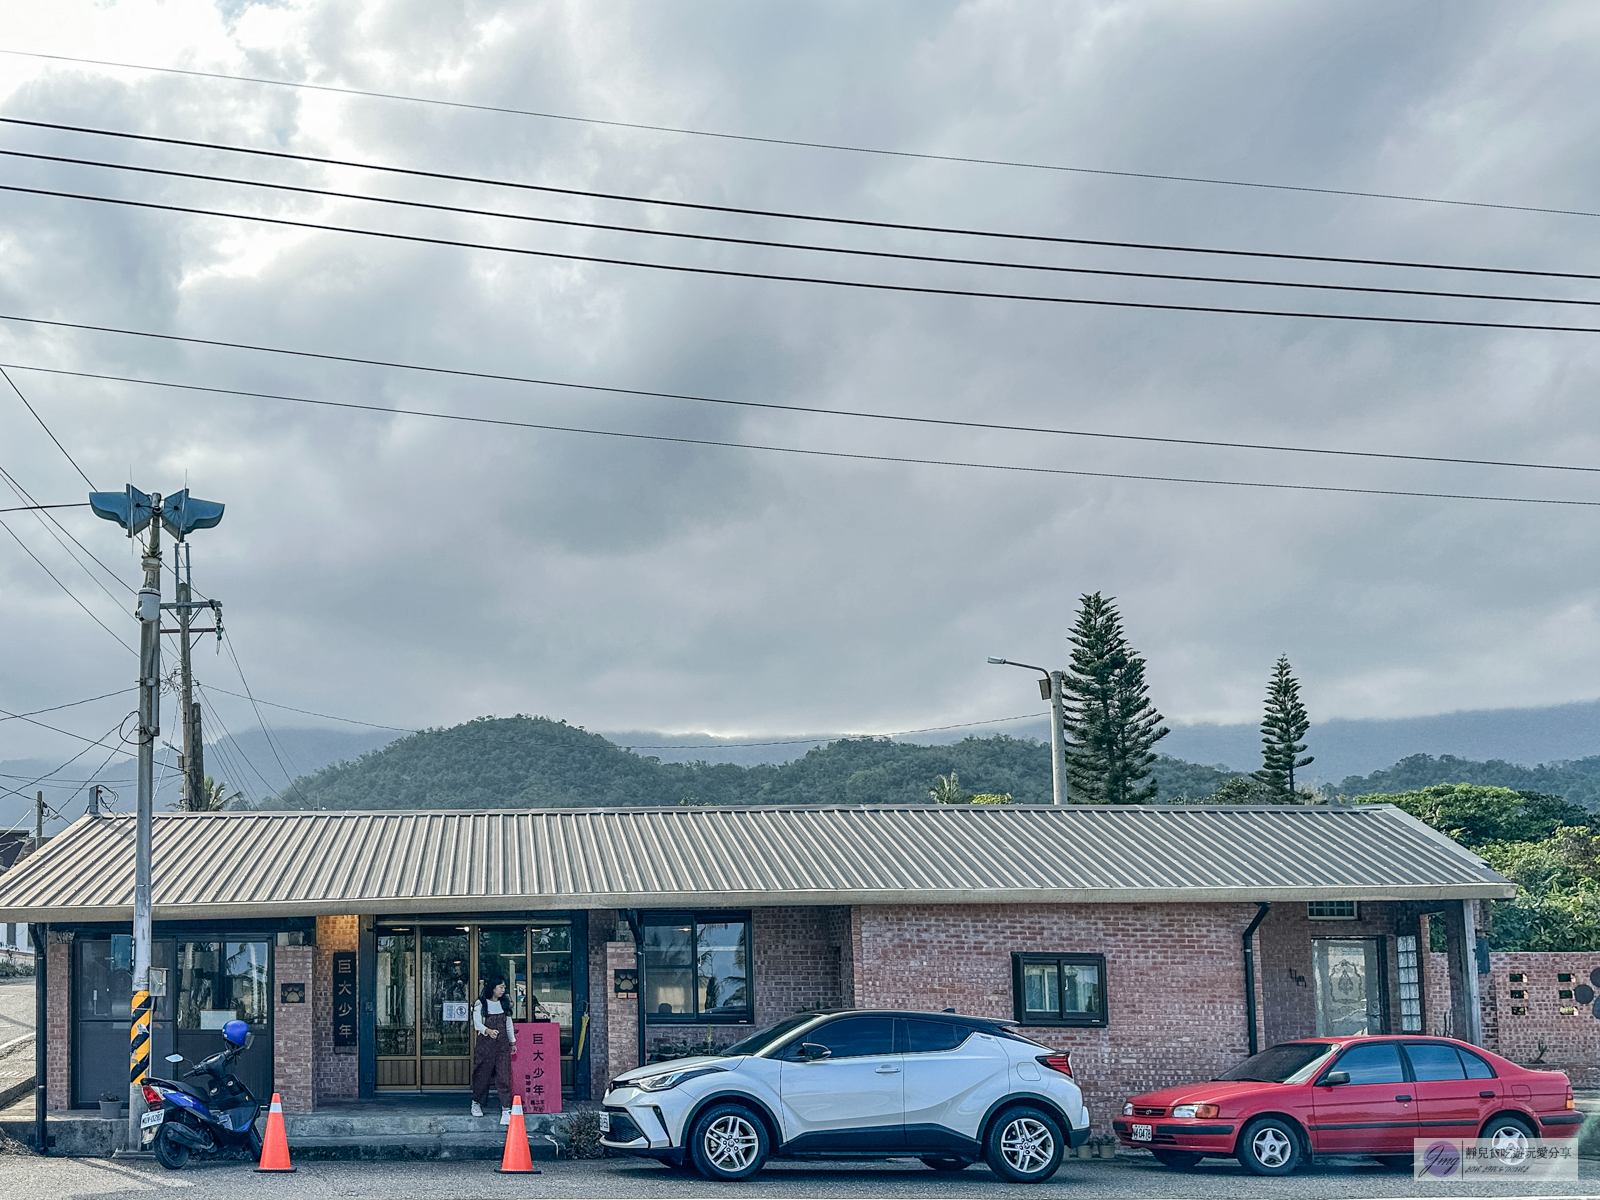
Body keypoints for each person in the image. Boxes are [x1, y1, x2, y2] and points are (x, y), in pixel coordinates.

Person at [471, 977, 516, 1121]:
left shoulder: (504, 1004)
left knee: (504, 1076)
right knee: (482, 1074)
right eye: (500, 986)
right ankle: (476, 1103)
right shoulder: (481, 1003)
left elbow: (509, 1025)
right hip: (485, 1045)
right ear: (492, 987)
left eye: (504, 987)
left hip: (502, 1046)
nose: (503, 990)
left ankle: (506, 1109)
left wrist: (512, 1042)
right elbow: (477, 1023)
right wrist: (488, 1031)